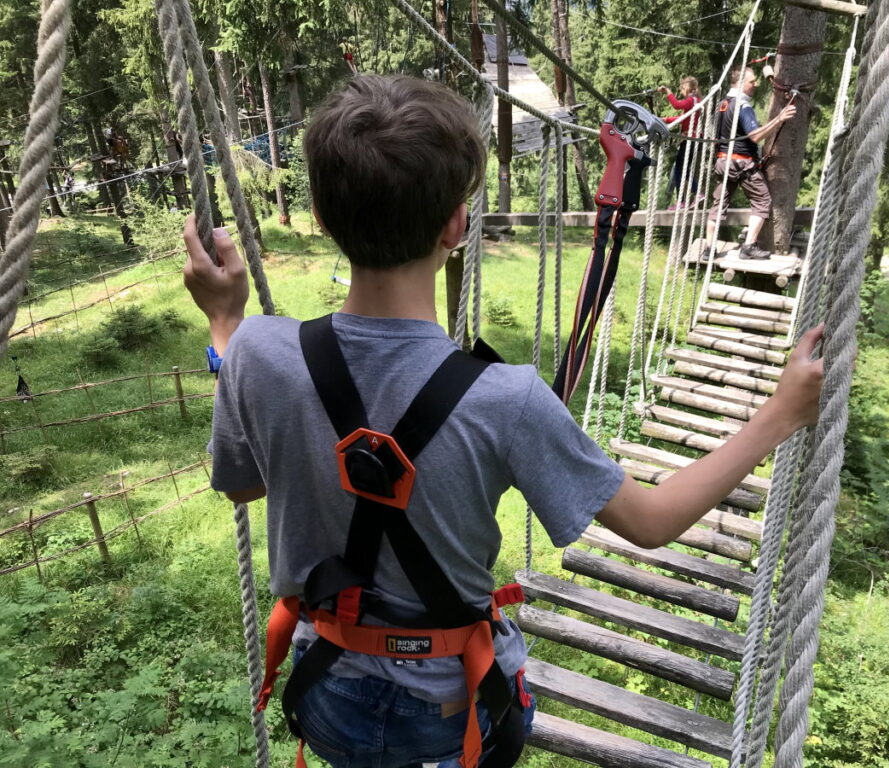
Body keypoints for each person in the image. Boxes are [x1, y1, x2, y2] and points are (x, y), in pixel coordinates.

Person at [182, 73, 824, 768]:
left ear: (318, 215)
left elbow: (242, 486)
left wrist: (223, 323)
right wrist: (779, 416)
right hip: (447, 715)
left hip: (326, 694)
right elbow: (652, 521)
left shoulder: (258, 352)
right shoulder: (507, 399)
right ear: (457, 225)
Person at [704, 66, 796, 261]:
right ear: (739, 83)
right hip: (740, 164)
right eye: (751, 82)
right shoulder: (742, 106)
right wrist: (779, 118)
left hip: (723, 162)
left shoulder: (722, 104)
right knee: (762, 200)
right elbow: (755, 136)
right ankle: (749, 246)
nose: (755, 85)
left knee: (718, 205)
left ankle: (709, 249)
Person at [658, 76, 703, 208]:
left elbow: (677, 105)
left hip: (690, 139)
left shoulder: (691, 100)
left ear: (689, 88)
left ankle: (688, 198)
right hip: (694, 139)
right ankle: (686, 198)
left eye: (683, 89)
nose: (682, 92)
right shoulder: (696, 101)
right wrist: (666, 119)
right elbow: (683, 118)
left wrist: (668, 92)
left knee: (679, 169)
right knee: (682, 169)